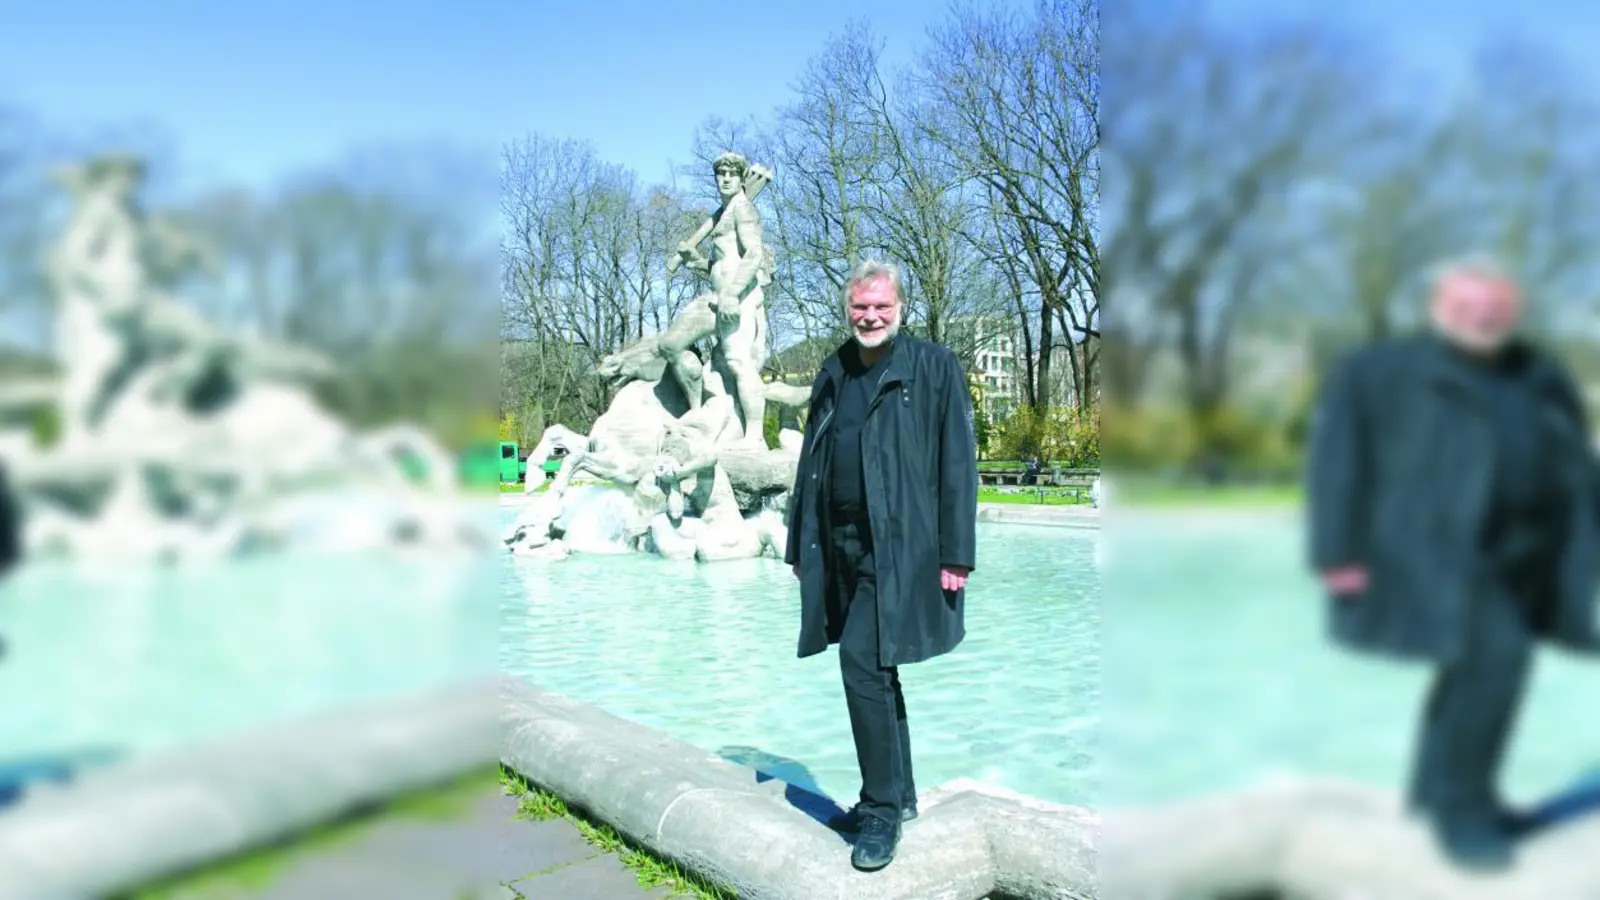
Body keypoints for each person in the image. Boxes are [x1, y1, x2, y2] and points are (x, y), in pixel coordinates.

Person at [1306, 256, 1600, 871]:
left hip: (1531, 549)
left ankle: (1436, 795)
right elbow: (1338, 461)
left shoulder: (1537, 370)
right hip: (1435, 551)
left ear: (1513, 310)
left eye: (1495, 307)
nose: (1483, 317)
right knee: (1497, 663)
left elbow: (1573, 457)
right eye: (1468, 306)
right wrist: (1336, 552)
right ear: (1438, 307)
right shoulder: (1379, 370)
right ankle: (1465, 815)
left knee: (1469, 673)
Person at [784, 259, 979, 872]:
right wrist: (799, 545)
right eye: (860, 308)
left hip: (900, 546)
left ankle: (880, 813)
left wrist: (956, 553)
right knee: (880, 666)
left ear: (900, 309)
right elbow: (810, 462)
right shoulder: (834, 368)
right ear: (848, 309)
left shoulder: (932, 368)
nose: (870, 317)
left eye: (881, 308)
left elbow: (957, 464)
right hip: (839, 543)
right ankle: (905, 794)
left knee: (860, 662)